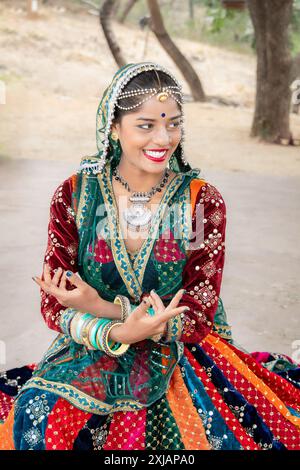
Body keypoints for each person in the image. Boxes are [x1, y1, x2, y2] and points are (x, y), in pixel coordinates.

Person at [0, 62, 299, 451]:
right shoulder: (75, 196)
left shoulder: (199, 202)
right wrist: (117, 332)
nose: (164, 138)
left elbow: (197, 311)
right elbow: (52, 303)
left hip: (180, 353)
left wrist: (111, 310)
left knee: (184, 438)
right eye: (146, 125)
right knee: (42, 417)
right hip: (89, 350)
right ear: (113, 126)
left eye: (173, 124)